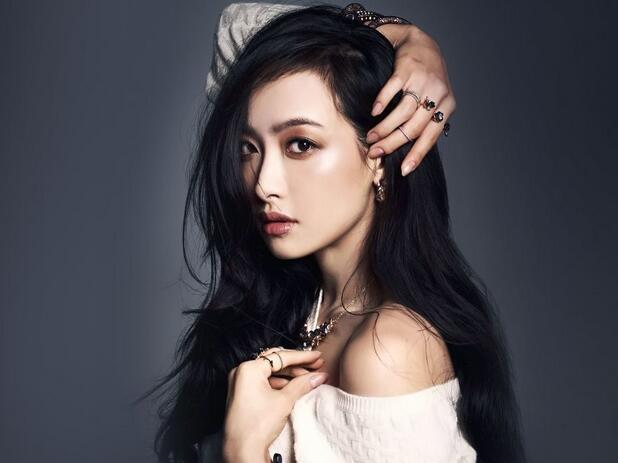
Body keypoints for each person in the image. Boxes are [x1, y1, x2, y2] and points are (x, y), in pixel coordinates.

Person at [138, 3, 527, 462]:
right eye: (248, 148)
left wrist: (243, 449)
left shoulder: (389, 351)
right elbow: (234, 26)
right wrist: (401, 35)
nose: (263, 184)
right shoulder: (304, 309)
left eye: (300, 144)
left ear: (378, 159)